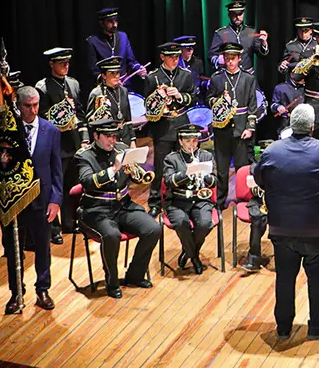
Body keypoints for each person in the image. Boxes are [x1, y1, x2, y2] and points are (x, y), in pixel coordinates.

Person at [254, 106, 319, 340]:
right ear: (312, 128)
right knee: (318, 279)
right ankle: (317, 327)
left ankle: (283, 329)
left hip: (282, 229)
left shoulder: (272, 150)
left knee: (284, 279)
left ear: (292, 126)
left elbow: (259, 177)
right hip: (317, 230)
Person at [75, 120, 160, 298]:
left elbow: (134, 180)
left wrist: (135, 174)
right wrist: (114, 169)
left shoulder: (121, 148)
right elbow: (87, 182)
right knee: (111, 236)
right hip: (95, 210)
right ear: (96, 136)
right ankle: (112, 282)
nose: (112, 140)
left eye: (114, 136)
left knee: (153, 229)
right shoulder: (84, 156)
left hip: (123, 206)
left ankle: (135, 275)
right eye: (108, 137)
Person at [2, 86, 63, 314]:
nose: (33, 110)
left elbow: (57, 170)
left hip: (43, 199)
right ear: (19, 105)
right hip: (16, 201)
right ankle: (16, 292)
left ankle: (43, 289)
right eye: (28, 106)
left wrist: (56, 200)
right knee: (13, 248)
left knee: (43, 247)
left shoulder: (51, 130)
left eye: (36, 105)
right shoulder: (10, 131)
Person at [35, 47, 89, 241]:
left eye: (67, 62)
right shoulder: (42, 87)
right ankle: (53, 228)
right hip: (55, 144)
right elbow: (41, 118)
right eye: (61, 63)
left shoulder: (73, 84)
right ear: (51, 64)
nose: (66, 66)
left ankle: (69, 222)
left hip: (73, 142)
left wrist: (84, 138)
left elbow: (80, 113)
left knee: (72, 185)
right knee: (54, 187)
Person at [144, 42, 196, 216]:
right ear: (162, 57)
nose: (175, 60)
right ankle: (155, 202)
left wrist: (180, 96)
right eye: (171, 57)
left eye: (177, 57)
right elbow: (148, 106)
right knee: (160, 167)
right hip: (163, 127)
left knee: (183, 164)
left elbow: (193, 98)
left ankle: (180, 199)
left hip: (181, 124)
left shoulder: (186, 75)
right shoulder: (153, 77)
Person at [206, 42, 259, 209]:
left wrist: (250, 128)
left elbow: (252, 105)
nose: (230, 62)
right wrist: (220, 101)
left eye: (233, 58)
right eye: (227, 58)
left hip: (242, 128)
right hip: (222, 129)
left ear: (239, 59)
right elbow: (209, 100)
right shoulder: (216, 78)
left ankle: (243, 199)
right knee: (221, 170)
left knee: (242, 168)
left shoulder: (248, 78)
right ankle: (220, 201)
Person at [163, 124, 217, 275]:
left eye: (194, 141)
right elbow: (168, 181)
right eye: (188, 141)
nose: (192, 144)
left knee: (205, 224)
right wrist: (187, 173)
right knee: (181, 223)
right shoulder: (171, 159)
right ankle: (194, 257)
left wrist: (204, 175)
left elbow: (214, 182)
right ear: (180, 141)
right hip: (177, 201)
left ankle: (188, 252)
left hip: (201, 199)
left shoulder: (206, 156)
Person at [84, 7, 147, 82]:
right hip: (104, 86)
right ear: (101, 23)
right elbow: (93, 70)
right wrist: (108, 81)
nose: (115, 25)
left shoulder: (123, 36)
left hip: (124, 84)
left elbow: (131, 60)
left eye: (116, 21)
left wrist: (139, 69)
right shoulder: (92, 41)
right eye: (110, 21)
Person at [208, 1, 269, 74]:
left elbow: (261, 55)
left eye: (240, 14)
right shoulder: (221, 33)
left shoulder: (251, 32)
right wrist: (217, 60)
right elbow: (211, 55)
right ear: (229, 15)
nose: (237, 17)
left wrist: (264, 43)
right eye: (234, 14)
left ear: (243, 14)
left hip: (247, 76)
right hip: (228, 76)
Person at [86, 56, 134, 145]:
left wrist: (133, 140)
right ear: (104, 76)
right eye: (112, 73)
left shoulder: (123, 91)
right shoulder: (97, 93)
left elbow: (128, 118)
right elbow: (90, 121)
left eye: (118, 73)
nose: (116, 76)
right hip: (108, 140)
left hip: (124, 138)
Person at [270, 69, 305, 135]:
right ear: (292, 75)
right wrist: (278, 107)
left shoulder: (305, 88)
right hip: (286, 122)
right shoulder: (280, 88)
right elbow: (273, 104)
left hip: (302, 122)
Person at [174, 36, 204, 100]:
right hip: (181, 96)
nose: (190, 51)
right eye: (187, 48)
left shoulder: (198, 62)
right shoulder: (175, 64)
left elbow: (200, 78)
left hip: (196, 96)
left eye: (192, 48)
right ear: (181, 49)